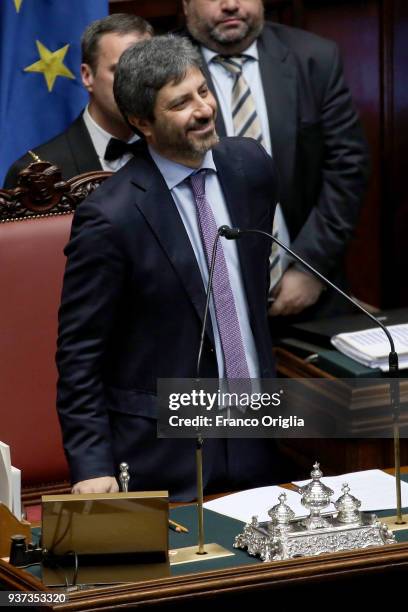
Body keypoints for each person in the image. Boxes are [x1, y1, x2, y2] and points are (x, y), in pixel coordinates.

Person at [56, 35, 279, 501]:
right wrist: (93, 465)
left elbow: (246, 301)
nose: (203, 110)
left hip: (261, 437)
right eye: (180, 103)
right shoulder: (110, 217)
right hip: (166, 458)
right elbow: (80, 356)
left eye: (202, 91)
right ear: (143, 123)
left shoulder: (250, 167)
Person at [181, 0, 369, 319]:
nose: (231, 5)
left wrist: (311, 268)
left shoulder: (314, 58)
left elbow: (347, 167)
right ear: (185, 5)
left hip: (310, 287)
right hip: (202, 302)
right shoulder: (164, 66)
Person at [3, 14, 153, 188]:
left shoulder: (175, 152)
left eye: (145, 70)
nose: (136, 82)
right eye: (121, 70)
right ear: (87, 76)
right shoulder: (36, 174)